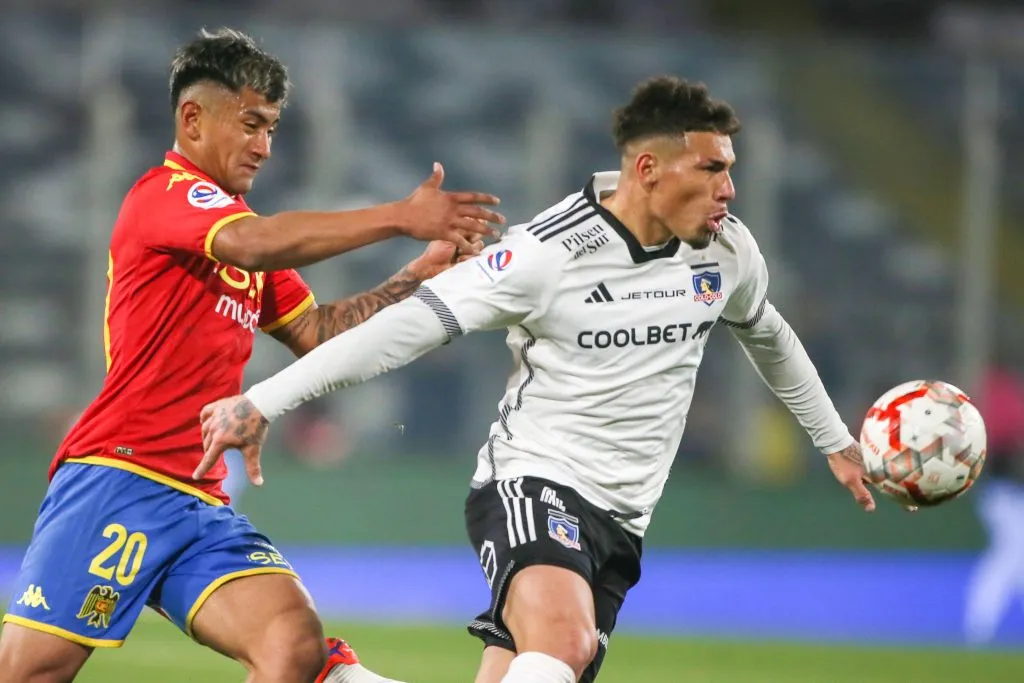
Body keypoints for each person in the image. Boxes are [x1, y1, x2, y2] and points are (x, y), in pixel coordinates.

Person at [198, 76, 877, 683]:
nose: (730, 188)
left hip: (624, 519)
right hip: (533, 482)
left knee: (542, 663)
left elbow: (768, 332)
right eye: (712, 169)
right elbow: (402, 329)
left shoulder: (728, 250)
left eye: (731, 169)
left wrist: (833, 440)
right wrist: (265, 398)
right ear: (647, 168)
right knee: (565, 639)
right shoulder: (544, 254)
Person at [0, 27, 502, 683]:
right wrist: (399, 215)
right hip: (121, 476)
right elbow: (253, 244)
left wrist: (415, 276)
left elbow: (320, 331)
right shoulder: (167, 196)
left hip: (198, 500)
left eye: (271, 128)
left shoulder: (239, 226)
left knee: (293, 644)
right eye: (251, 124)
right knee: (30, 672)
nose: (265, 145)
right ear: (192, 118)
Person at [963, 347, 1024, 645]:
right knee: (1010, 554)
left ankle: (980, 624)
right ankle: (980, 623)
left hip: (1003, 491)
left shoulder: (992, 392)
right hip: (1003, 492)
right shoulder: (999, 392)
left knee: (1012, 555)